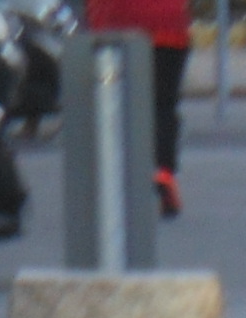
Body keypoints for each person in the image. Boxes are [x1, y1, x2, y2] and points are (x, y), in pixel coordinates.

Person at [82, 0, 192, 219]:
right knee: (164, 105)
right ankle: (164, 172)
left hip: (114, 22)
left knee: (114, 104)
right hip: (167, 22)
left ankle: (116, 183)